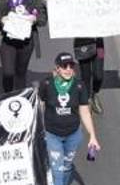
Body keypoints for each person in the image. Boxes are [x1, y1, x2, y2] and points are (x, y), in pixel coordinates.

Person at [40, 52, 102, 185]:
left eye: (71, 66)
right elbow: (41, 104)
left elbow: (85, 112)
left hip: (73, 135)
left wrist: (92, 136)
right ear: (57, 68)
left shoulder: (79, 86)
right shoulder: (46, 84)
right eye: (64, 66)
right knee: (57, 170)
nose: (68, 69)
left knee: (67, 167)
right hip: (52, 135)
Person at [0, 0, 42, 93]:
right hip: (9, 41)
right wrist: (2, 19)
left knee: (20, 73)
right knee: (8, 72)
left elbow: (43, 19)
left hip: (26, 42)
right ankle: (7, 95)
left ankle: (19, 99)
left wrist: (35, 19)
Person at [72, 0, 105, 115]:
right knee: (86, 75)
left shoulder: (102, 2)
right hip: (82, 43)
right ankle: (87, 100)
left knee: (98, 75)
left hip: (98, 43)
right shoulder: (75, 2)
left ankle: (95, 93)